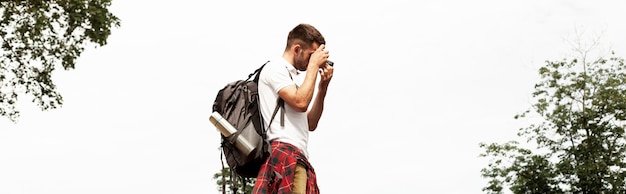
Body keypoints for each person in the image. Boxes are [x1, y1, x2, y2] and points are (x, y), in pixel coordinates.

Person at [253, 23, 333, 194]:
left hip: (298, 157)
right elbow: (301, 102)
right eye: (311, 55)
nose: (314, 61)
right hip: (285, 154)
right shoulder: (275, 68)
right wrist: (313, 68)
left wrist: (322, 89)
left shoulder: (294, 81)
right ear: (297, 49)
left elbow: (310, 123)